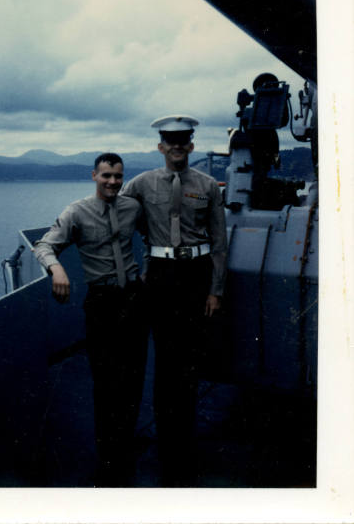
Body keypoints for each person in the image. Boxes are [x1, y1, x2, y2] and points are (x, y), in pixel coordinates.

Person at [121, 115, 228, 487]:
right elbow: (115, 211)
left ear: (192, 145)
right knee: (165, 361)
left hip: (196, 275)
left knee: (189, 361)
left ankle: (183, 443)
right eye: (171, 140)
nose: (178, 146)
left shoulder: (208, 186)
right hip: (161, 276)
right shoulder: (142, 183)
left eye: (184, 140)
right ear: (161, 146)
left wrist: (215, 290)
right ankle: (169, 445)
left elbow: (219, 242)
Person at [33, 153, 149, 487]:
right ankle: (108, 456)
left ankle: (125, 443)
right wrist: (56, 268)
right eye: (106, 176)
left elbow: (153, 233)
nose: (113, 182)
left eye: (118, 176)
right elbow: (44, 246)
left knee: (134, 377)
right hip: (103, 304)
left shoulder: (132, 208)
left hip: (133, 299)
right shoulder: (76, 212)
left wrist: (149, 270)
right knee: (106, 382)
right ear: (94, 176)